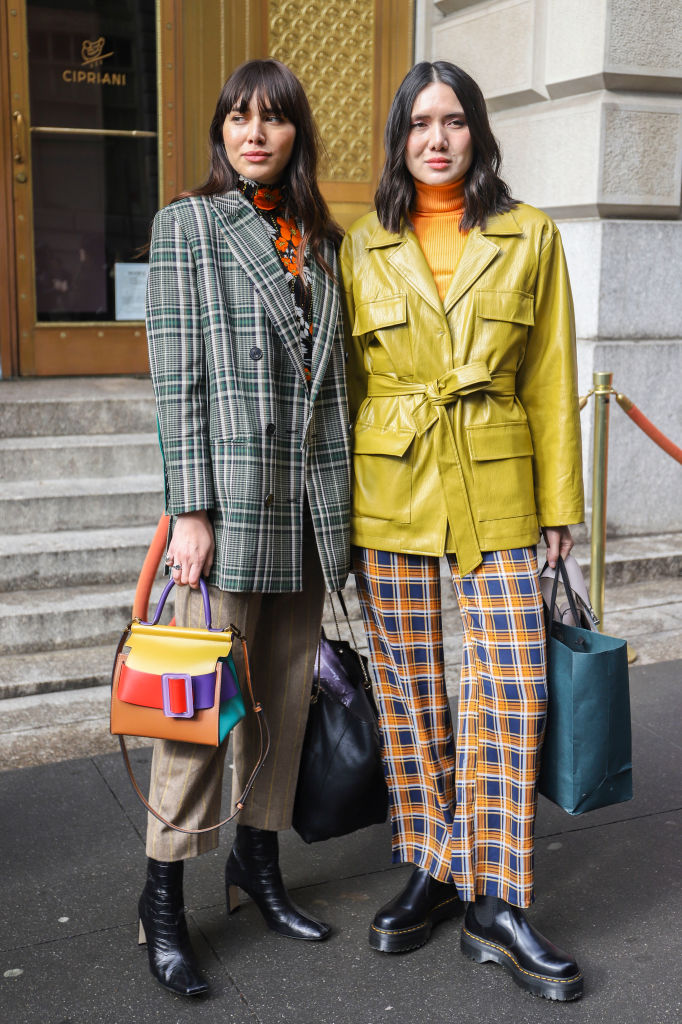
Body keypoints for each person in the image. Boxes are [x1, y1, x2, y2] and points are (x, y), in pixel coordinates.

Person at [339, 61, 585, 1002]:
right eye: (419, 124)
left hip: (498, 479)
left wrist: (561, 504)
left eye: (453, 122)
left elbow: (553, 374)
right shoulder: (364, 246)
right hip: (392, 484)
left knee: (512, 690)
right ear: (400, 139)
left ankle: (501, 900)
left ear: (478, 133)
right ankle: (438, 867)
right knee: (410, 690)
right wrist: (342, 520)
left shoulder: (531, 236)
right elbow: (353, 389)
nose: (436, 139)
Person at [142, 59, 351, 996]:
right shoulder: (189, 225)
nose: (254, 133)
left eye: (272, 119)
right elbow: (177, 377)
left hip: (309, 512)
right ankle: (161, 901)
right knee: (196, 714)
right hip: (228, 508)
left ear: (297, 133)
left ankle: (258, 868)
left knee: (284, 701)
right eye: (238, 117)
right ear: (221, 131)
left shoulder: (322, 239)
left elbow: (339, 385)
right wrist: (189, 506)